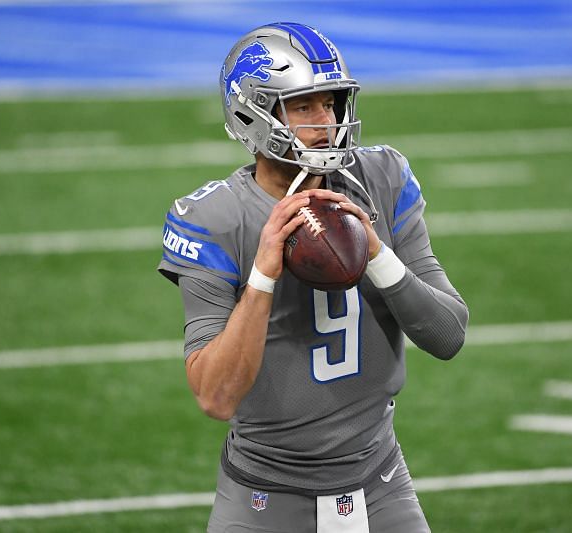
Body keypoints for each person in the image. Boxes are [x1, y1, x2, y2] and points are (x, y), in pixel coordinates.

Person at [159, 22, 468, 533]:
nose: (327, 121)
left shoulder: (382, 180)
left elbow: (449, 334)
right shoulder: (214, 219)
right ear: (252, 112)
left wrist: (375, 253)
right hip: (263, 500)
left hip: (381, 484)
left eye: (332, 103)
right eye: (304, 106)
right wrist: (261, 275)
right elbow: (214, 396)